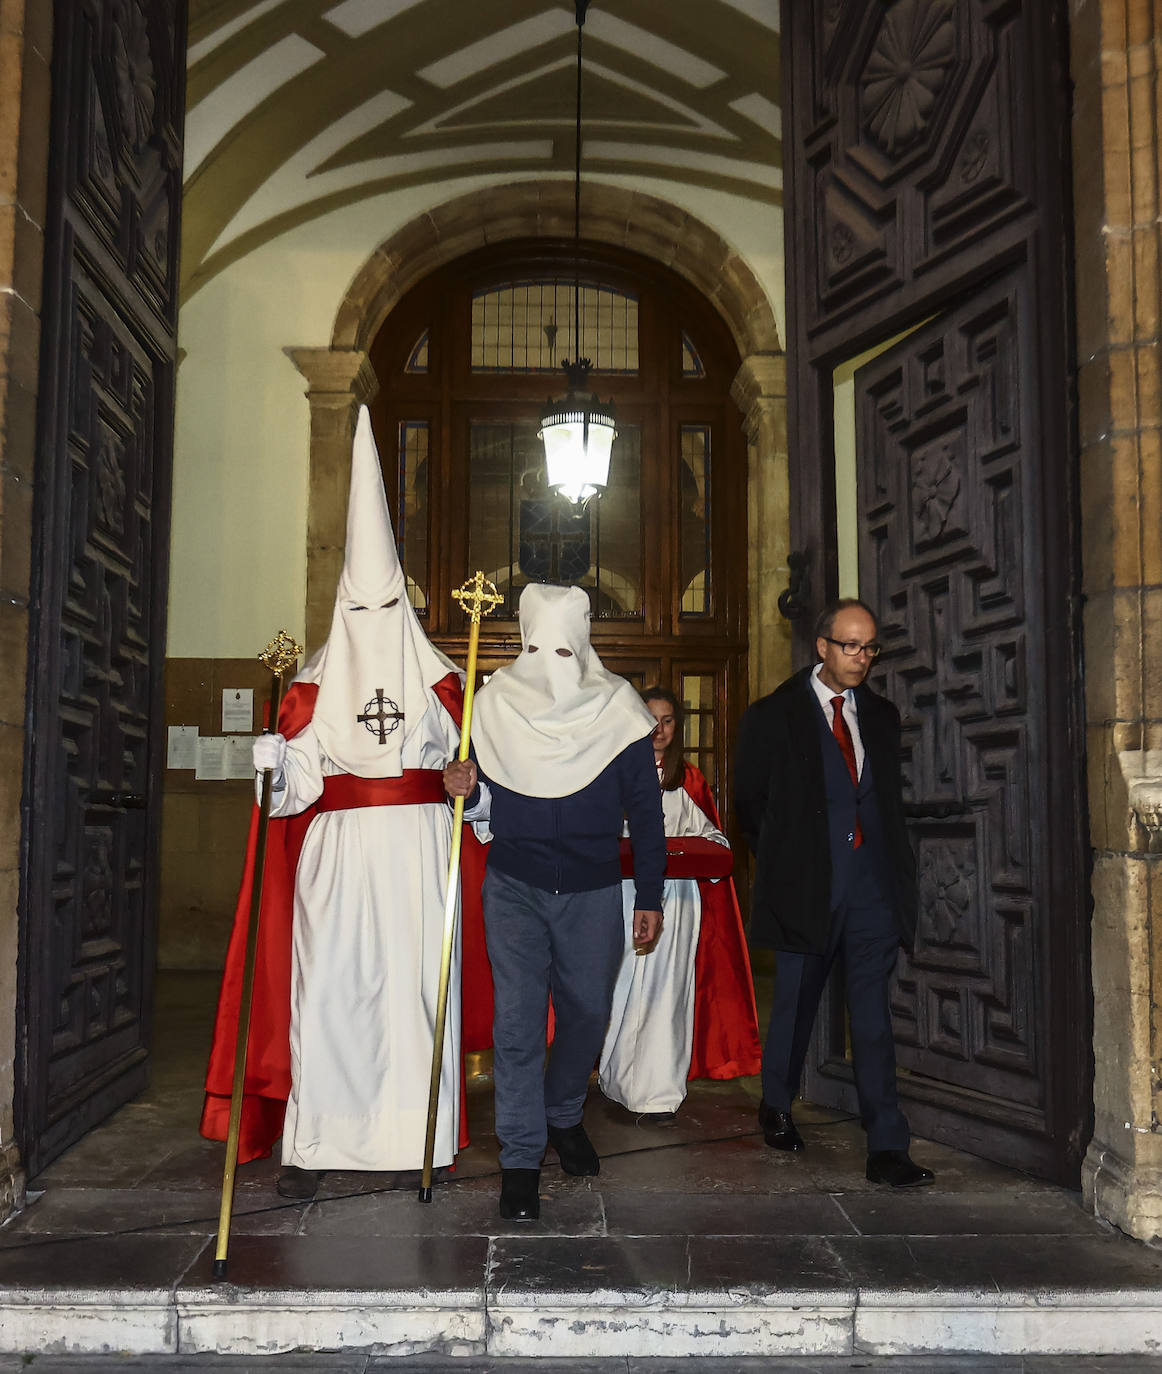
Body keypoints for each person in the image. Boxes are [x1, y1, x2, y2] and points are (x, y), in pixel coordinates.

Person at [201, 407, 478, 1198]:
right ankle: (320, 1141)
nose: (370, 626)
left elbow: (474, 783)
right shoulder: (311, 685)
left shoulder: (441, 684)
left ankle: (414, 1138)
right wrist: (274, 762)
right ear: (340, 610)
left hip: (424, 855)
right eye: (357, 610)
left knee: (416, 997)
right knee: (330, 993)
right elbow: (296, 791)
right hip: (338, 863)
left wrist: (469, 785)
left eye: (384, 609)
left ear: (403, 607)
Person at [443, 583, 665, 1221]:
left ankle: (563, 1110)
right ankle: (520, 1159)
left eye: (562, 650)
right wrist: (460, 785)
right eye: (538, 647)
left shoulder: (619, 710)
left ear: (584, 643)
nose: (550, 662)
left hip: (594, 888)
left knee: (587, 1013)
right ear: (521, 639)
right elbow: (480, 797)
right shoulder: (493, 705)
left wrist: (648, 893)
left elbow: (646, 816)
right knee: (516, 1027)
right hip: (515, 884)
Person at [734, 597, 932, 1188]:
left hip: (871, 887)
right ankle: (776, 1104)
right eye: (850, 645)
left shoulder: (882, 714)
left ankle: (886, 1146)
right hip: (806, 888)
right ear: (821, 647)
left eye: (870, 646)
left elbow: (884, 800)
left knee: (871, 1016)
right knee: (794, 1005)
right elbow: (750, 803)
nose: (861, 657)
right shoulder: (771, 716)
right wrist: (788, 861)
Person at [599, 687, 761, 1116]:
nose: (658, 729)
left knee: (666, 991)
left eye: (668, 720)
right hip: (625, 894)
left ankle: (658, 1090)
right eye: (650, 719)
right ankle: (613, 1077)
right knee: (621, 988)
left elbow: (717, 843)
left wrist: (694, 852)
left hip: (679, 901)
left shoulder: (688, 780)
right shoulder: (612, 775)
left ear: (678, 727)